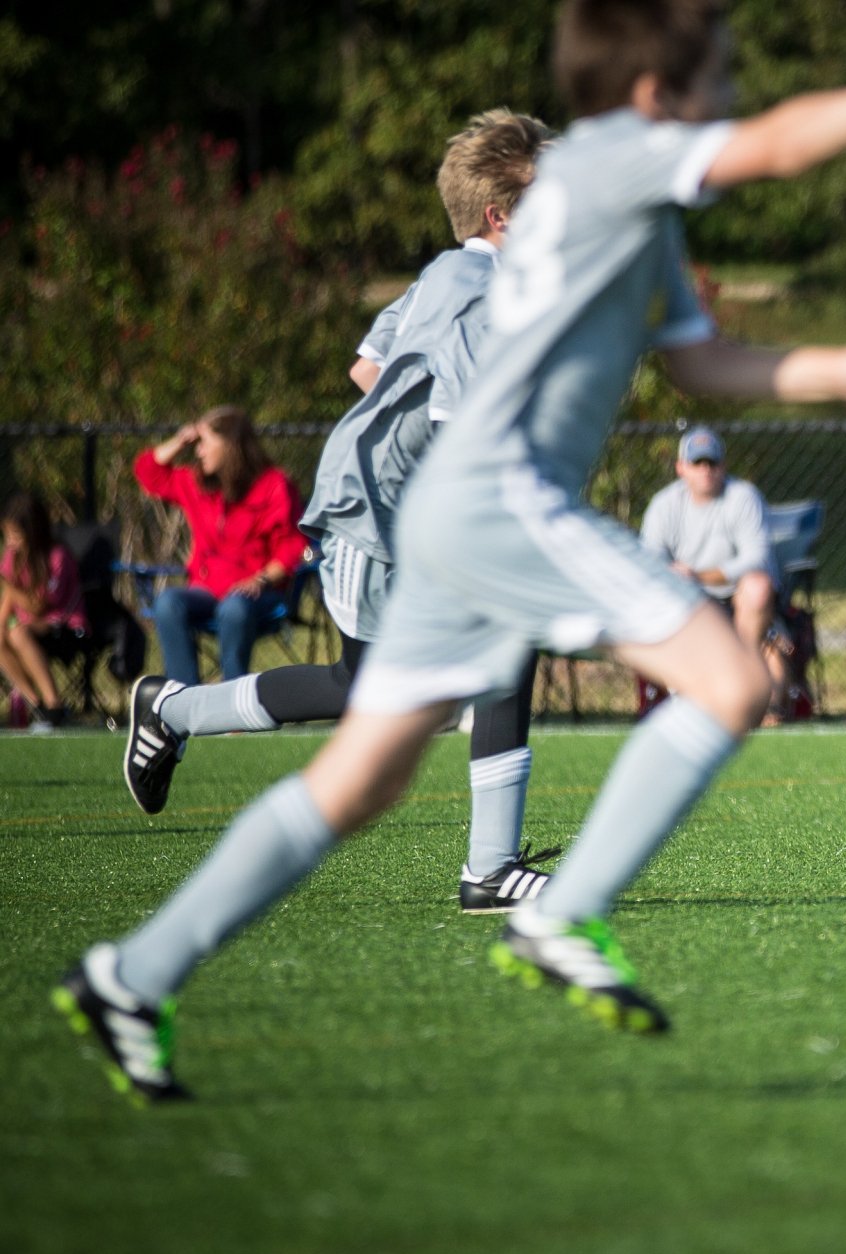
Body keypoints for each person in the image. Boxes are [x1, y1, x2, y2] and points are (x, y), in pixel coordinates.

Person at [53, 0, 846, 1103]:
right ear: (660, 94)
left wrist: (838, 365)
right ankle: (559, 910)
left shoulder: (634, 216)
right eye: (718, 72)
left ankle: (131, 973)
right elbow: (781, 143)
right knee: (728, 679)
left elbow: (704, 370)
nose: (731, 95)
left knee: (362, 775)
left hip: (460, 516)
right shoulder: (612, 161)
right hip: (501, 501)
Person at [120, 110, 561, 918]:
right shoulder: (478, 289)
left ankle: (171, 707)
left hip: (392, 505)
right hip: (379, 514)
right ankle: (489, 870)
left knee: (367, 687)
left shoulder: (448, 274)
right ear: (502, 216)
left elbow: (366, 368)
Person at [134, 408, 310, 687]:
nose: (199, 452)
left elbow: (292, 547)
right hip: (207, 591)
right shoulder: (197, 483)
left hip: (256, 593)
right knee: (168, 602)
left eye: (205, 444)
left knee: (233, 609)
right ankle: (184, 700)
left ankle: (233, 701)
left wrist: (261, 579)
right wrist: (182, 440)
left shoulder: (274, 484)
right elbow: (148, 472)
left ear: (229, 446)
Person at [639, 427, 789, 720]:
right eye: (697, 463)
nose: (706, 470)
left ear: (723, 465)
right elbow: (647, 560)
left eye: (712, 463)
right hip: (687, 603)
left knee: (757, 586)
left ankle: (759, 700)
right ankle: (691, 698)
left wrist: (698, 576)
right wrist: (676, 576)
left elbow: (756, 558)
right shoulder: (663, 505)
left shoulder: (742, 496)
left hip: (738, 601)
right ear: (681, 468)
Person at [0, 492, 86, 729]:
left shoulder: (58, 556)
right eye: (6, 535)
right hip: (31, 629)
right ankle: (37, 706)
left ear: (33, 531)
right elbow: (8, 600)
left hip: (67, 628)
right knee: (6, 635)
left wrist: (7, 584)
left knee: (18, 632)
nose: (10, 542)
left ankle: (54, 704)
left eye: (15, 535)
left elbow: (37, 606)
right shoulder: (13, 557)